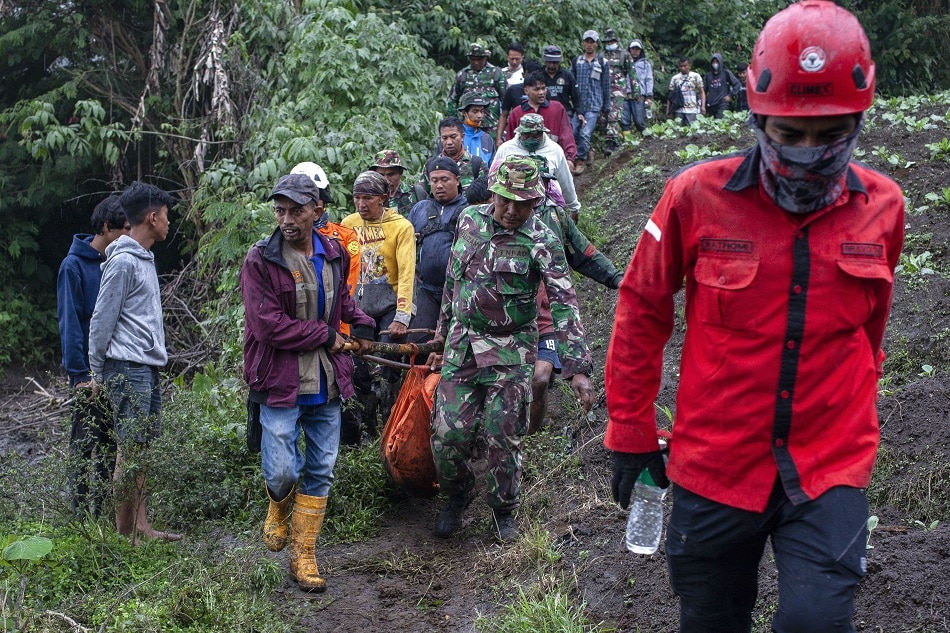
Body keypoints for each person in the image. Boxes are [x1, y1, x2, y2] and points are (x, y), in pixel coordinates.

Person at [604, 2, 904, 630]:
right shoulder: (694, 196)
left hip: (828, 464)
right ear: (757, 118)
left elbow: (870, 330)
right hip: (714, 464)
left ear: (857, 123)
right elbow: (642, 305)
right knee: (712, 619)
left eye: (829, 136)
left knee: (816, 621)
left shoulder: (884, 206)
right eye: (788, 135)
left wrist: (855, 405)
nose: (807, 153)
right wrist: (630, 430)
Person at [426, 156, 593, 542]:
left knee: (503, 432)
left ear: (536, 202)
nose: (512, 210)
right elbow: (453, 279)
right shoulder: (469, 220)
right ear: (493, 193)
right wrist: (440, 334)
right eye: (505, 200)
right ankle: (457, 494)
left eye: (523, 203)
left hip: (510, 349)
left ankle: (503, 509)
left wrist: (577, 366)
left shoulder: (542, 239)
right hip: (463, 346)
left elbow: (565, 301)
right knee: (447, 435)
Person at [240, 173, 375, 593]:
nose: (286, 219)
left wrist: (367, 323)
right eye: (280, 211)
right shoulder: (260, 259)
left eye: (296, 210)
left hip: (327, 381)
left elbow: (338, 301)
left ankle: (304, 555)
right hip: (280, 381)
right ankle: (278, 505)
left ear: (318, 210)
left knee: (321, 468)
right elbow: (267, 325)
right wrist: (325, 335)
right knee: (281, 471)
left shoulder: (333, 251)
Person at [87, 181, 180, 544]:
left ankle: (140, 527)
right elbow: (101, 320)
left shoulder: (143, 258)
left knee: (141, 447)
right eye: (167, 216)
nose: (169, 223)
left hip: (145, 366)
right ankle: (124, 536)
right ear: (153, 217)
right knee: (130, 447)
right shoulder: (123, 261)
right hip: (126, 366)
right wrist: (96, 373)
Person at [526, 158, 623, 434]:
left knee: (539, 378)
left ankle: (531, 434)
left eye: (540, 183)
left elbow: (585, 253)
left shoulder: (554, 216)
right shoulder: (489, 220)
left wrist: (616, 278)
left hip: (545, 311)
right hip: (504, 321)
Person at [57, 195, 129, 517]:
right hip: (87, 375)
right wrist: (80, 376)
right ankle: (80, 518)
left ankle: (101, 516)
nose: (128, 235)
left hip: (112, 371)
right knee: (85, 445)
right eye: (123, 228)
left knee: (110, 447)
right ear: (105, 227)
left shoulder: (113, 263)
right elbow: (70, 324)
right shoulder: (73, 266)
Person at [341, 171, 416, 438]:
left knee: (390, 367)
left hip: (389, 307)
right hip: (358, 308)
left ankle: (392, 424)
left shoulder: (400, 227)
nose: (362, 204)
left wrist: (402, 316)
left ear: (383, 198)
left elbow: (407, 274)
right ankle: (367, 428)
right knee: (358, 370)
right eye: (357, 197)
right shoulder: (348, 224)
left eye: (368, 198)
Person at [407, 157, 468, 342]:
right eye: (434, 180)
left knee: (454, 342)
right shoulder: (419, 209)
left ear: (457, 180)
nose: (439, 185)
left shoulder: (469, 210)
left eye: (444, 179)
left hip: (459, 290)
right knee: (416, 342)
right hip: (426, 289)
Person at [290, 161, 361, 306]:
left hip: (336, 321)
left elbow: (348, 288)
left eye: (312, 197)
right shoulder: (281, 241)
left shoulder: (345, 238)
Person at [492, 113, 581, 221]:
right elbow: (493, 179)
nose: (531, 139)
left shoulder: (554, 150)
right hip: (515, 205)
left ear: (543, 133)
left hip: (546, 207)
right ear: (520, 133)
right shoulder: (506, 149)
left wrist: (574, 208)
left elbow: (565, 180)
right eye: (527, 135)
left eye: (535, 136)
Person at [504, 70, 576, 166]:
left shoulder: (557, 108)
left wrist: (569, 158)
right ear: (526, 90)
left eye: (543, 88)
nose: (541, 92)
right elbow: (511, 141)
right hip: (524, 164)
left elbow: (566, 135)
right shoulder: (517, 113)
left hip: (552, 160)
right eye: (537, 89)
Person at [571, 30, 611, 175]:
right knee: (574, 131)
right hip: (579, 105)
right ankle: (588, 150)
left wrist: (606, 107)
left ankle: (580, 161)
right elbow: (571, 83)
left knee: (585, 133)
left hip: (594, 105)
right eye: (586, 42)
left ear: (596, 44)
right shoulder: (577, 62)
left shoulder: (602, 62)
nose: (589, 45)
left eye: (592, 42)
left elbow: (606, 85)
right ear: (583, 43)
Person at [446, 42, 506, 133]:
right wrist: (455, 123)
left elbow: (506, 100)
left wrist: (504, 126)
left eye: (480, 59)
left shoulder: (496, 73)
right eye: (473, 59)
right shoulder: (462, 75)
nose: (476, 62)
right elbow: (452, 100)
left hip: (492, 127)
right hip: (467, 128)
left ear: (485, 58)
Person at [426, 117, 487, 189]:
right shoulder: (431, 164)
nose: (449, 142)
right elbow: (422, 194)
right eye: (444, 138)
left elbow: (486, 195)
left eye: (453, 137)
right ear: (440, 139)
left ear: (462, 137)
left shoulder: (477, 164)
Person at [601, 28, 632, 156]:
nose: (609, 44)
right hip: (604, 90)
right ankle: (615, 139)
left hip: (618, 90)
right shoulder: (601, 56)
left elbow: (632, 73)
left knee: (613, 117)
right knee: (603, 118)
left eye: (612, 41)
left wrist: (635, 92)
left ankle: (611, 144)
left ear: (616, 41)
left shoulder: (624, 54)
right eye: (607, 42)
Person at [367, 150, 418, 217]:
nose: (386, 179)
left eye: (391, 174)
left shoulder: (416, 193)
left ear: (400, 173)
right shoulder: (368, 197)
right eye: (381, 175)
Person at [622, 39, 655, 134]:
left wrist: (649, 97)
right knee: (625, 121)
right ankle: (627, 142)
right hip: (625, 95)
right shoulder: (623, 63)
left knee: (639, 121)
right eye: (633, 48)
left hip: (639, 96)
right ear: (629, 50)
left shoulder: (646, 65)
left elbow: (649, 80)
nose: (635, 51)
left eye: (637, 49)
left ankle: (647, 138)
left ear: (641, 51)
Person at [542, 45, 581, 119]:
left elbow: (576, 96)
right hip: (543, 112)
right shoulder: (538, 76)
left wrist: (579, 112)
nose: (551, 65)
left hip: (564, 112)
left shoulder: (567, 75)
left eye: (555, 62)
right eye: (549, 62)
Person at [457, 93, 496, 165]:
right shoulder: (454, 136)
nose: (479, 115)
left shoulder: (487, 139)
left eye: (481, 111)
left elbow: (492, 169)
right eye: (475, 111)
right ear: (464, 113)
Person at [667, 56, 705, 126]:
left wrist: (703, 106)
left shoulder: (696, 76)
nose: (683, 68)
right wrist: (668, 109)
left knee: (692, 130)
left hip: (692, 109)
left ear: (689, 66)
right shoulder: (675, 78)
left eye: (685, 66)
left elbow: (701, 92)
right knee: (677, 130)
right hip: (678, 109)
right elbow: (670, 95)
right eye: (681, 66)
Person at [703, 53, 742, 119]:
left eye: (717, 62)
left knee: (720, 121)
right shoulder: (708, 76)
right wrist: (703, 105)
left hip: (723, 103)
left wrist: (730, 95)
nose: (715, 64)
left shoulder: (726, 73)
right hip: (711, 104)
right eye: (713, 62)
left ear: (720, 62)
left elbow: (737, 84)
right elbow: (703, 91)